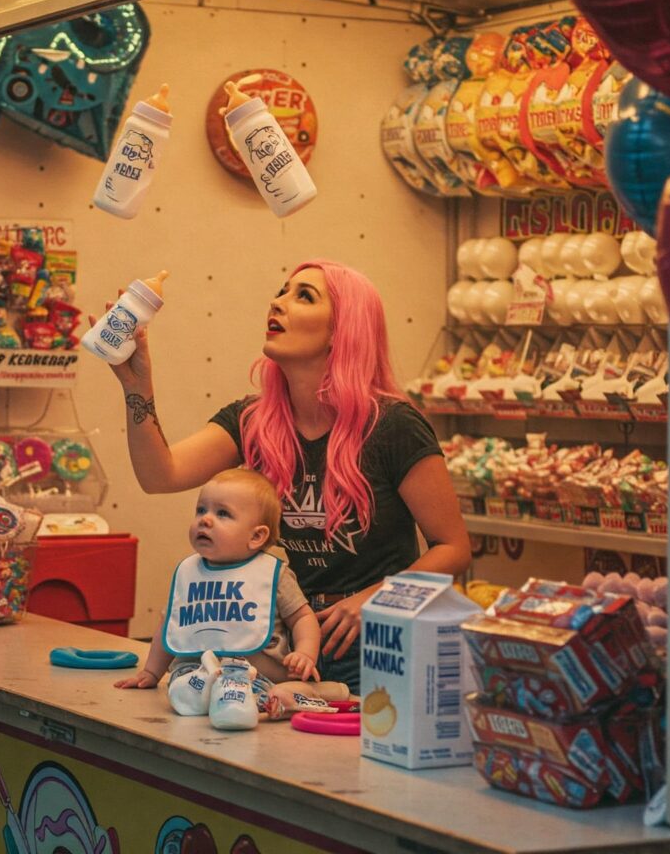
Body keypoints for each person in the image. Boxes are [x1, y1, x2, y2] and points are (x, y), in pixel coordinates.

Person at [103, 259, 471, 694]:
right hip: (281, 645)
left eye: (304, 296)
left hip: (376, 641)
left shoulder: (393, 426)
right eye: (282, 291)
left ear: (342, 329)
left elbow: (454, 547)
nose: (277, 302)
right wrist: (136, 389)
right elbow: (160, 475)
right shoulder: (252, 419)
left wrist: (372, 598)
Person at [115, 468, 344, 722]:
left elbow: (302, 616)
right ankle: (206, 696)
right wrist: (152, 672)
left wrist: (305, 653)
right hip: (195, 670)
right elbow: (170, 624)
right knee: (185, 685)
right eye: (201, 510)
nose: (205, 520)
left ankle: (294, 695)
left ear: (256, 536)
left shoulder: (272, 574)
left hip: (259, 675)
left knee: (269, 694)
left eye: (222, 514)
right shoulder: (189, 571)